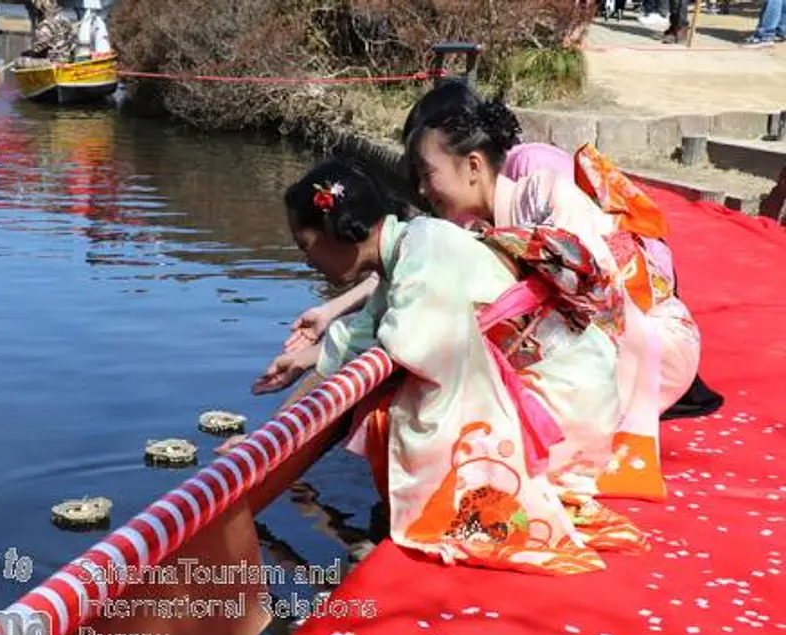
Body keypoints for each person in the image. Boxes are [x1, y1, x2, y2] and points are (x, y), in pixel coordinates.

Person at [228, 157, 647, 575]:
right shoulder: (409, 247)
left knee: (386, 408)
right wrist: (269, 434)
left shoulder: (423, 254)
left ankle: (450, 504)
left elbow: (402, 343)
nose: (306, 260)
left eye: (305, 245)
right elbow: (352, 343)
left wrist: (265, 449)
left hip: (569, 400)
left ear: (339, 230)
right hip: (575, 380)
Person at [274, 80, 722, 421]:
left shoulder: (539, 183)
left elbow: (594, 284)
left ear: (472, 165)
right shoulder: (465, 223)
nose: (424, 190)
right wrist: (332, 317)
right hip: (581, 338)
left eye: (428, 174)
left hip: (635, 336)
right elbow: (398, 279)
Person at [16, 0, 79, 67]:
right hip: (68, 59)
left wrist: (26, 54)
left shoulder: (45, 25)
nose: (28, 9)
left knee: (19, 61)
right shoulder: (65, 20)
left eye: (29, 8)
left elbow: (38, 48)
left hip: (53, 62)